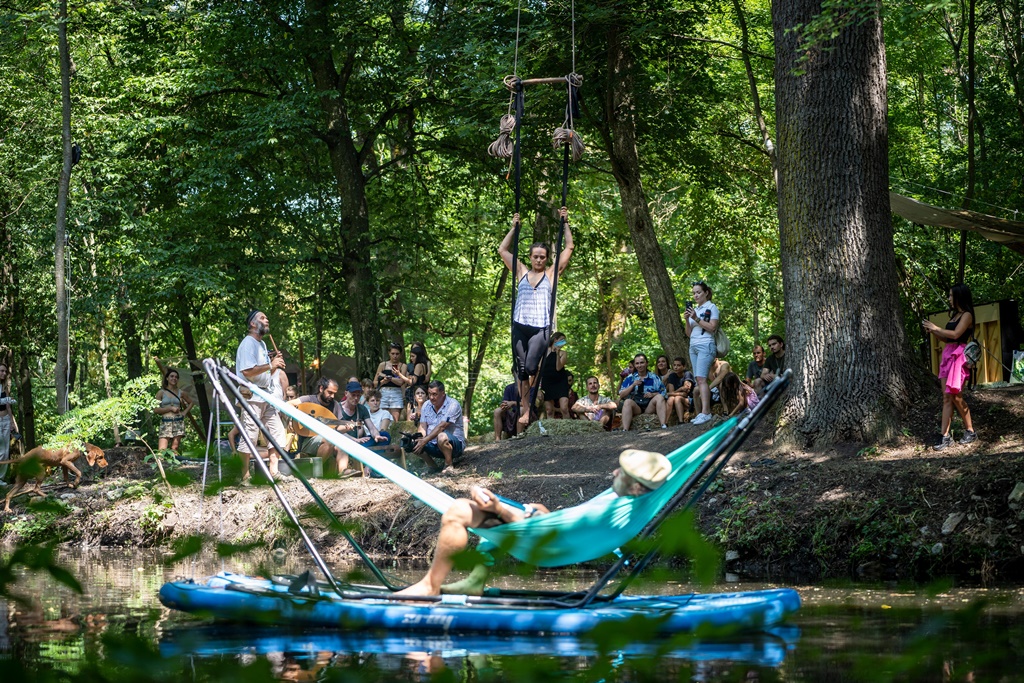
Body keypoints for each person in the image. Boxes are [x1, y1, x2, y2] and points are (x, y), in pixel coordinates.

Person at [395, 448, 672, 597]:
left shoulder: (606, 512)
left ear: (636, 487)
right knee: (531, 507)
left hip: (548, 543)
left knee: (458, 511)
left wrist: (499, 508)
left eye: (621, 472)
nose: (614, 471)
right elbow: (549, 520)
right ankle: (475, 581)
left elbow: (547, 531)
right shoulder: (625, 501)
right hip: (557, 536)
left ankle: (430, 585)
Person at [498, 207, 575, 430]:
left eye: (542, 257)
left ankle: (530, 399)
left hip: (540, 329)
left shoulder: (551, 275)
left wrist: (565, 223)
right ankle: (525, 409)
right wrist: (514, 228)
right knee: (520, 370)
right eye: (535, 256)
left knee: (531, 367)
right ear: (530, 257)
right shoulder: (520, 271)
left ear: (546, 258)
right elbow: (502, 249)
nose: (539, 260)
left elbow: (569, 246)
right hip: (520, 326)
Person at [235, 310, 288, 482]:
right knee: (249, 435)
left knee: (277, 433)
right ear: (252, 324)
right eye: (263, 318)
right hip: (251, 396)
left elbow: (263, 372)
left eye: (266, 317)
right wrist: (270, 364)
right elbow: (247, 371)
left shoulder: (262, 345)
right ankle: (245, 476)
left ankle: (274, 472)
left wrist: (274, 366)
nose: (267, 320)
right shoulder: (248, 343)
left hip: (266, 395)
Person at [923, 284, 977, 450]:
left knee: (956, 396)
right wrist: (934, 332)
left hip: (958, 356)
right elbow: (948, 339)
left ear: (960, 296)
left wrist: (936, 327)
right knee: (946, 397)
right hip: (948, 354)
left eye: (951, 296)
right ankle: (945, 436)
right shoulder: (955, 316)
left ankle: (970, 431)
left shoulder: (967, 315)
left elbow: (956, 335)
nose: (949, 299)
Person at [684, 281, 720, 425]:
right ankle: (701, 413)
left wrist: (695, 318)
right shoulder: (695, 310)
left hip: (706, 345)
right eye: (694, 293)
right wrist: (687, 319)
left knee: (701, 379)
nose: (696, 295)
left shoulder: (712, 307)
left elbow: (712, 327)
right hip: (693, 346)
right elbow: (688, 333)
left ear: (706, 292)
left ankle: (706, 412)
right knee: (699, 379)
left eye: (698, 292)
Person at [411, 380, 466, 472]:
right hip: (433, 444)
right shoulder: (426, 405)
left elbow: (442, 427)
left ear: (443, 393)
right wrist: (420, 437)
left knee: (441, 436)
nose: (431, 397)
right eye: (429, 394)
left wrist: (425, 440)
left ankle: (448, 465)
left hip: (454, 445)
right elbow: (423, 426)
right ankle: (432, 466)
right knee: (412, 442)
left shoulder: (453, 405)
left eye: (434, 394)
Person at [618, 353, 668, 430]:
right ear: (634, 365)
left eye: (642, 362)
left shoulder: (654, 377)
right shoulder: (630, 378)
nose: (639, 365)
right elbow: (621, 394)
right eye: (637, 363)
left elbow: (664, 392)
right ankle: (625, 430)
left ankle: (663, 425)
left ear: (646, 363)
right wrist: (633, 385)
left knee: (659, 397)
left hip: (649, 406)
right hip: (636, 407)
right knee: (627, 402)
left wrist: (653, 394)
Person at [154, 368, 193, 453]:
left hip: (178, 421)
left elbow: (191, 402)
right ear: (167, 378)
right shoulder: (161, 393)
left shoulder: (181, 392)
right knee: (161, 451)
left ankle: (174, 466)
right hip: (166, 421)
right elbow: (156, 410)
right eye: (171, 376)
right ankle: (161, 465)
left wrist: (184, 413)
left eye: (176, 377)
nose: (174, 378)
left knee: (174, 449)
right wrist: (170, 408)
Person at [375, 343, 412, 422]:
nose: (395, 356)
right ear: (389, 353)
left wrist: (388, 377)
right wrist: (383, 381)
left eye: (397, 354)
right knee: (381, 418)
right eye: (393, 353)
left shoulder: (403, 366)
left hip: (396, 393)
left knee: (395, 420)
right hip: (383, 392)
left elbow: (400, 382)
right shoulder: (383, 365)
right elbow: (375, 383)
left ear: (400, 354)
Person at [539, 332, 571, 420]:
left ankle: (568, 429)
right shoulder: (544, 352)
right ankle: (551, 431)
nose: (563, 342)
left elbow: (558, 367)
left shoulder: (563, 353)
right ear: (555, 339)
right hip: (547, 381)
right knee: (549, 410)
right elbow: (539, 367)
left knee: (564, 408)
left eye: (564, 341)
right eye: (562, 340)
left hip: (560, 382)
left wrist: (557, 353)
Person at [0, 362, 20, 483]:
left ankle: (1, 478)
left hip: (6, 419)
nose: (3, 373)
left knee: (5, 451)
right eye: (1, 371)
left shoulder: (4, 387)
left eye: (5, 371)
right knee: (1, 450)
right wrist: (6, 399)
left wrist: (12, 422)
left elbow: (7, 405)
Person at [664, 357, 695, 424]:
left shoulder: (687, 374)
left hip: (689, 399)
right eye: (674, 365)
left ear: (683, 366)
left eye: (678, 365)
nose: (675, 367)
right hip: (678, 398)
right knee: (671, 398)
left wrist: (673, 393)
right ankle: (665, 423)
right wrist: (680, 391)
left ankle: (681, 421)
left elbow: (686, 390)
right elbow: (671, 392)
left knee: (677, 398)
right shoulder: (672, 376)